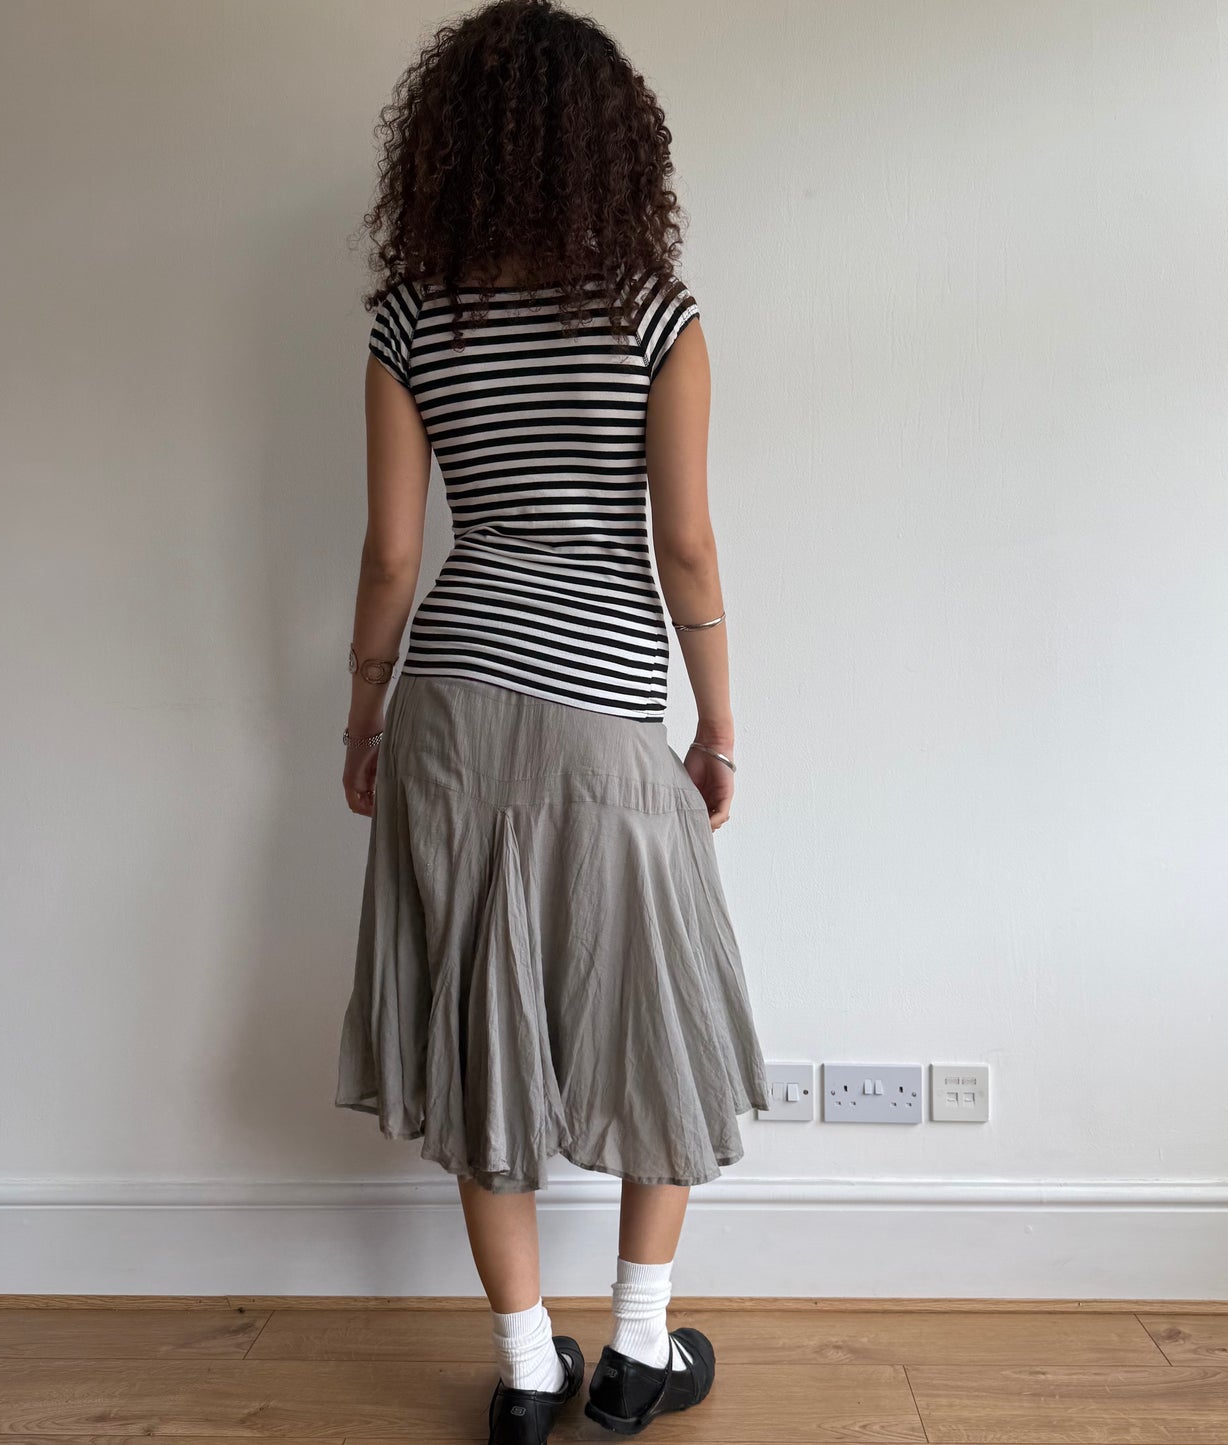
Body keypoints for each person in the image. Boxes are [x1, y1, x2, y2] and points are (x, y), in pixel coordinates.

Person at [333, 3, 769, 1440]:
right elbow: (686, 547)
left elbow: (394, 552)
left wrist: (362, 711)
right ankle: (637, 1350)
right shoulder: (654, 313)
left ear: (445, 148)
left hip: (448, 699)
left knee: (481, 1027)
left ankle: (526, 1369)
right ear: (616, 149)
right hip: (599, 701)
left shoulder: (415, 312)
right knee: (660, 1014)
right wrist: (717, 725)